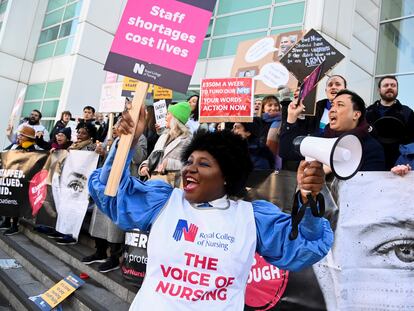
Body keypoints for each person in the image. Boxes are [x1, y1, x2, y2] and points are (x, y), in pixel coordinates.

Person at [88, 104, 333, 310]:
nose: (189, 169)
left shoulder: (251, 218)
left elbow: (304, 246)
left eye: (203, 164)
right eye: (189, 161)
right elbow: (111, 193)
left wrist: (308, 198)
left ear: (226, 175)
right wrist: (127, 142)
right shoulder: (163, 202)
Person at [280, 89, 386, 172]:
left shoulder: (372, 148)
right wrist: (291, 116)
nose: (332, 110)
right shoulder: (320, 138)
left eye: (340, 105)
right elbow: (287, 151)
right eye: (332, 105)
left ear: (356, 114)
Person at [138, 101, 192, 187]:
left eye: (168, 114)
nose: (165, 117)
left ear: (175, 119)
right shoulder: (163, 136)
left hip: (173, 187)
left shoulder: (187, 140)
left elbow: (189, 165)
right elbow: (152, 157)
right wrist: (145, 166)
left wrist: (169, 163)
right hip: (154, 183)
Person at [366, 75, 414, 169]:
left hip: (400, 165)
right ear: (379, 90)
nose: (389, 87)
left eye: (393, 85)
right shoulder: (368, 112)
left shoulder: (407, 112)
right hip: (371, 164)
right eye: (386, 85)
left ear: (397, 89)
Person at [0, 126, 39, 235]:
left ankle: (14, 225)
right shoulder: (16, 146)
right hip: (11, 178)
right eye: (19, 134)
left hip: (22, 180)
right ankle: (6, 221)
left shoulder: (32, 150)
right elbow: (5, 154)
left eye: (22, 135)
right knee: (8, 199)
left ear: (28, 137)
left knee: (16, 202)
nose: (19, 137)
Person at [261, 95, 282, 170]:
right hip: (260, 161)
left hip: (279, 162)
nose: (273, 108)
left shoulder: (284, 122)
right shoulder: (257, 122)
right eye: (270, 105)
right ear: (263, 108)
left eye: (276, 105)